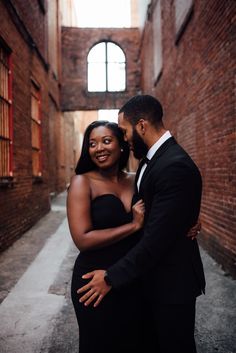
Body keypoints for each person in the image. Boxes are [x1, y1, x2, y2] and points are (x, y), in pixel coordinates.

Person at [78, 95, 206, 353]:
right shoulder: (154, 161)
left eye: (124, 131)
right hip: (147, 280)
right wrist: (183, 215)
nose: (124, 138)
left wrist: (111, 277)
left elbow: (155, 241)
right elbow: (159, 211)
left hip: (171, 284)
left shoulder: (174, 165)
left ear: (142, 126)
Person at [67, 120, 152, 353]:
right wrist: (133, 226)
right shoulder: (82, 182)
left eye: (106, 141)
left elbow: (164, 210)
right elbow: (82, 239)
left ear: (122, 145)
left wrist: (190, 222)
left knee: (136, 343)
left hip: (133, 277)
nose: (99, 148)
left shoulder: (138, 179)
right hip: (94, 282)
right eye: (92, 144)